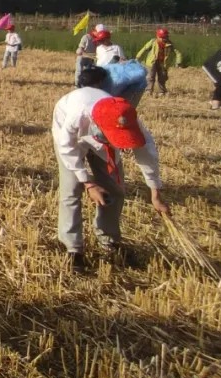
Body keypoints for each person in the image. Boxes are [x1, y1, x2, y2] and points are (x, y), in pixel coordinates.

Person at [52, 74, 169, 272]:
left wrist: (155, 194)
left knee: (114, 189)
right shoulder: (75, 116)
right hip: (73, 137)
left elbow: (147, 156)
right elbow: (67, 149)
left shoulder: (129, 120)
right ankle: (73, 249)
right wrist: (88, 183)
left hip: (103, 137)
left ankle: (109, 241)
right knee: (71, 190)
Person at [135, 29, 182, 97]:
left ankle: (162, 91)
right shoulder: (153, 41)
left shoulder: (170, 44)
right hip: (151, 62)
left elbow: (178, 53)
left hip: (163, 63)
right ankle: (148, 90)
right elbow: (144, 48)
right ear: (157, 36)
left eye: (164, 37)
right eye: (161, 37)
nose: (163, 39)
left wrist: (178, 62)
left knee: (162, 77)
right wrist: (137, 57)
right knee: (150, 77)